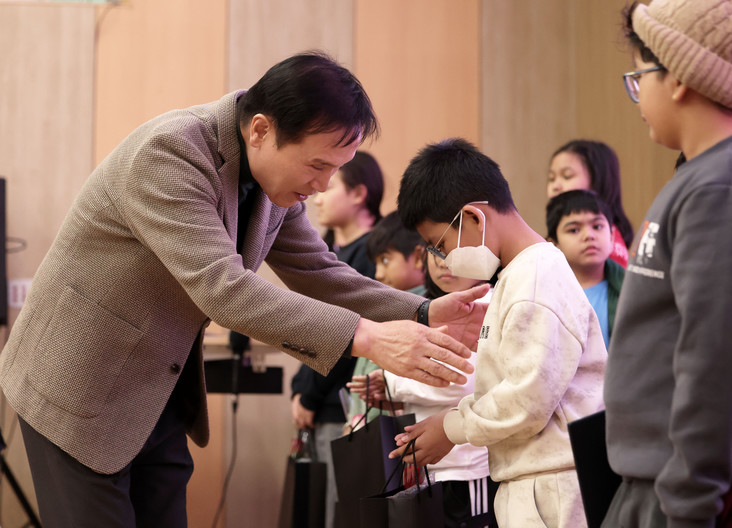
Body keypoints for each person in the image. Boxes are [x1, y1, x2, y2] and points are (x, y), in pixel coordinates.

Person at [0, 52, 486, 528]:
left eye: (335, 170)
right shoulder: (168, 154)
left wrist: (424, 312)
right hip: (78, 383)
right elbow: (225, 289)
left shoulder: (273, 182)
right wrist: (370, 337)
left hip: (156, 391)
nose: (322, 185)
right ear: (260, 130)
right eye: (317, 165)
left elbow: (319, 270)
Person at [602, 1, 732, 527]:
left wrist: (688, 504)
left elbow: (715, 363)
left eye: (639, 76)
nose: (638, 94)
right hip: (665, 484)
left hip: (697, 496)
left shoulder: (726, 187)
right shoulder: (705, 177)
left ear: (677, 77)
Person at [390, 138, 608, 527]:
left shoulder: (535, 277)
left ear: (474, 218)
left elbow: (528, 398)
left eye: (440, 245)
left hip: (552, 486)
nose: (444, 260)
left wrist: (452, 427)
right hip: (536, 478)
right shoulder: (518, 274)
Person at [356, 248, 499, 527]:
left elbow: (462, 380)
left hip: (467, 465)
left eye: (455, 250)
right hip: (428, 468)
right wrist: (391, 396)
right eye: (435, 250)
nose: (444, 262)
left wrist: (391, 382)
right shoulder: (425, 305)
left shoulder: (489, 303)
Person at [290, 150, 385, 528]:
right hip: (318, 401)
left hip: (342, 406)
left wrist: (309, 396)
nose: (318, 195)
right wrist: (300, 390)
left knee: (340, 511)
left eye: (331, 185)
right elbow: (310, 329)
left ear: (359, 193)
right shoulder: (327, 251)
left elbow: (347, 337)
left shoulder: (374, 254)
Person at [346, 211, 427, 427]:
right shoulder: (388, 308)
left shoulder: (417, 314)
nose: (378, 274)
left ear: (419, 257)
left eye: (385, 260)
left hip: (388, 427)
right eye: (376, 263)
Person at [546, 189, 624, 349]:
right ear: (553, 244)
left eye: (597, 226)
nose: (589, 235)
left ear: (611, 237)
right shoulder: (543, 295)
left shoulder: (632, 291)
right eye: (574, 230)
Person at [547, 139, 634, 267]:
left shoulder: (607, 246)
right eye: (552, 179)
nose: (556, 186)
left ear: (597, 182)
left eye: (567, 176)